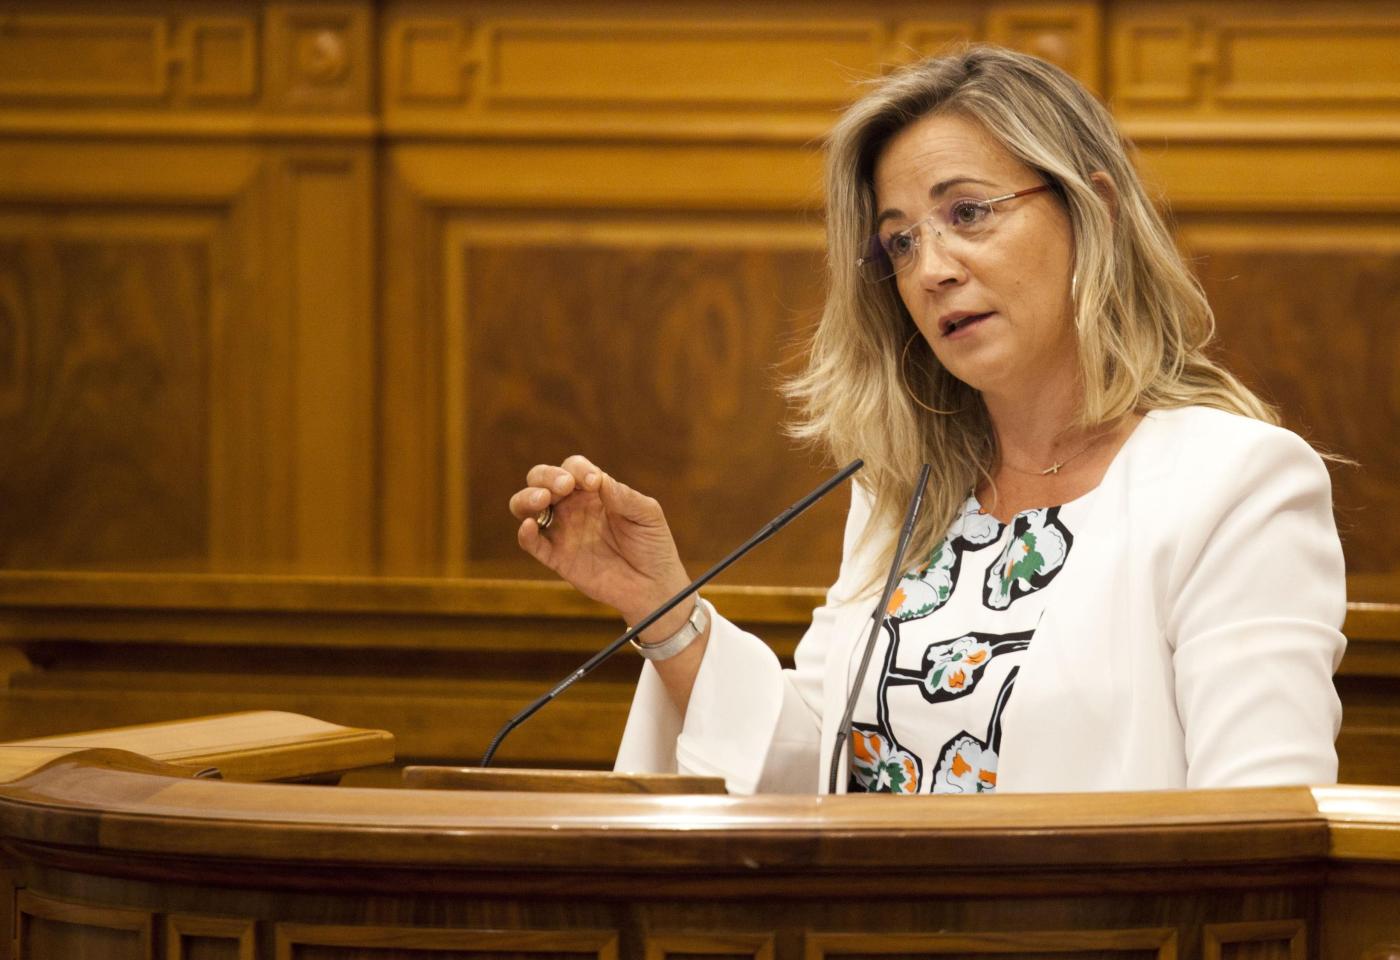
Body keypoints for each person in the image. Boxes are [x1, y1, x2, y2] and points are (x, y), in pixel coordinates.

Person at [508, 46, 1345, 795]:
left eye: (969, 213)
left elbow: (1266, 818)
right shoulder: (908, 489)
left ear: (1095, 211)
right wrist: (664, 609)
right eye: (900, 242)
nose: (933, 269)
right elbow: (823, 773)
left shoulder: (1234, 484)